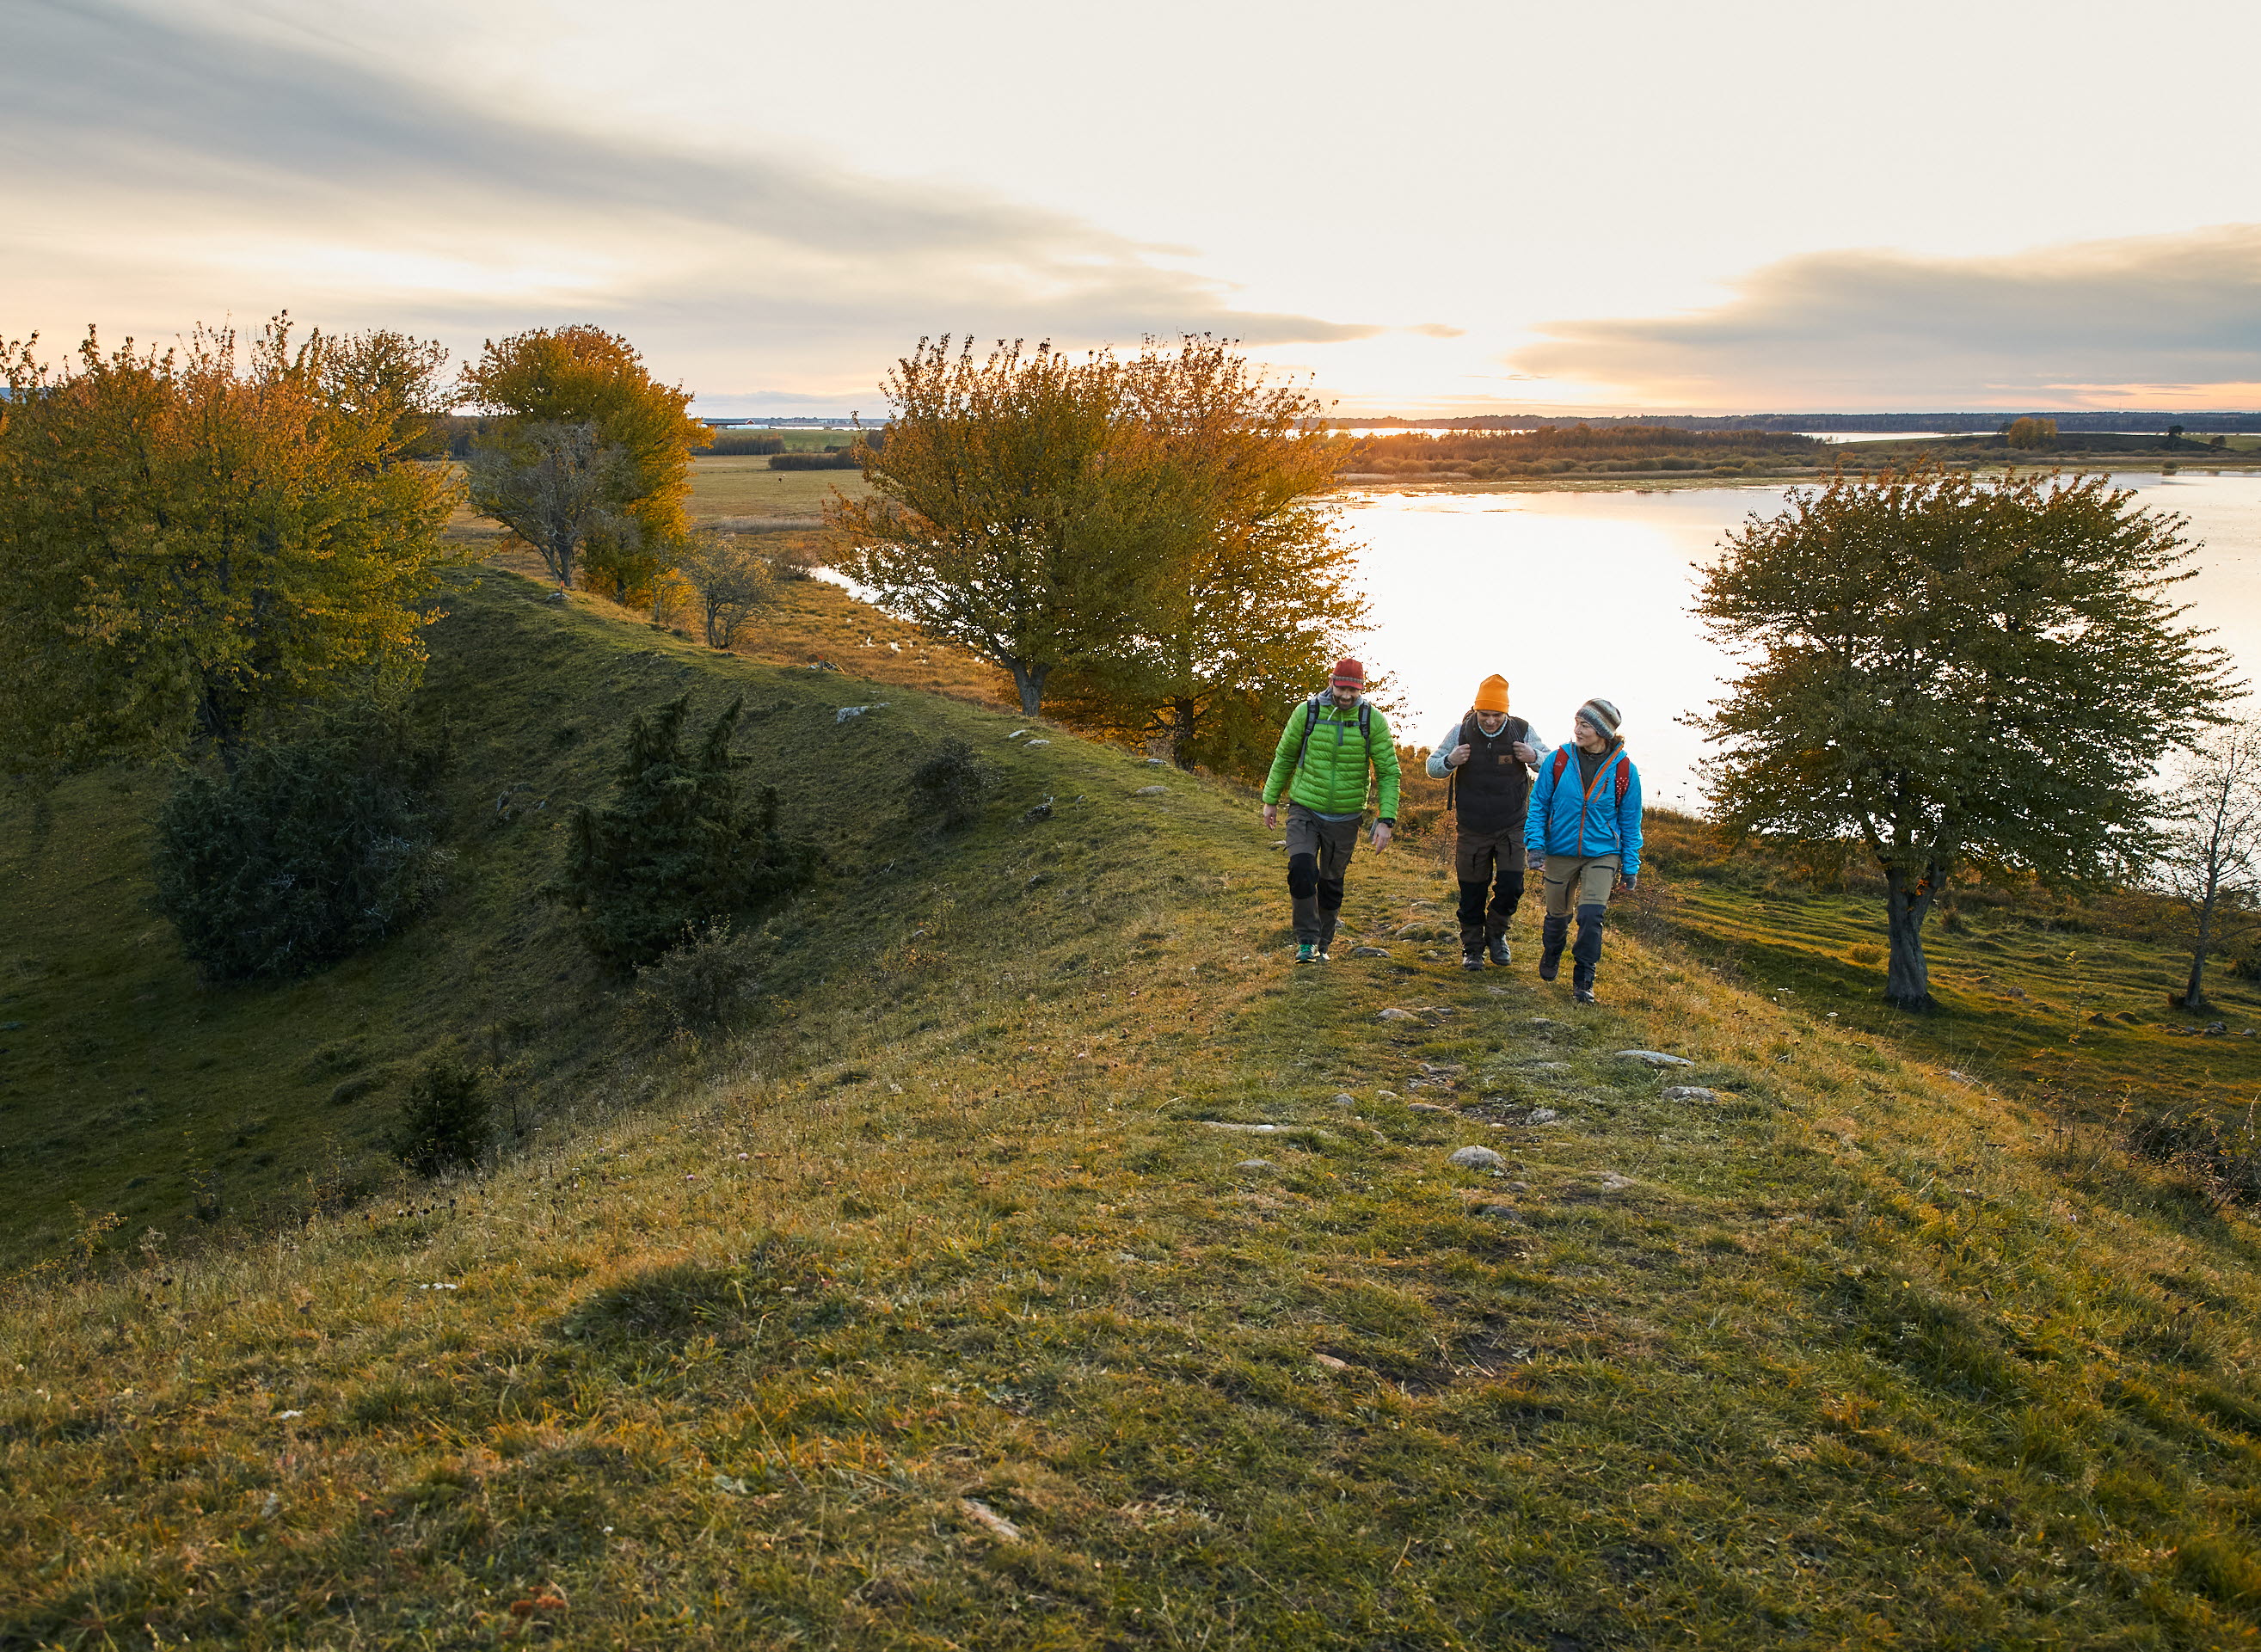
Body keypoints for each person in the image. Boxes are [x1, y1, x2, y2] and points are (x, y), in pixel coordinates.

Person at [1261, 658, 1400, 962]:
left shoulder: (1371, 720)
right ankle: (1307, 940)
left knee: (1331, 881)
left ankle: (1323, 942)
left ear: (1361, 689)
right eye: (1342, 689)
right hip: (1305, 807)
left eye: (1354, 690)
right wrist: (1270, 799)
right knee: (1301, 868)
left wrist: (1386, 819)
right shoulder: (1307, 712)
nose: (1347, 696)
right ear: (1331, 682)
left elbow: (1389, 772)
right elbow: (1285, 756)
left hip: (1347, 816)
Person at [1424, 674, 1548, 970]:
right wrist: (1451, 760)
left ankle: (1496, 935)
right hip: (1472, 827)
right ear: (1475, 710)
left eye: (1496, 715)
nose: (1490, 721)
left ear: (1506, 712)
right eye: (1484, 714)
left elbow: (1550, 761)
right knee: (1472, 892)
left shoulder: (1522, 729)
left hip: (1513, 825)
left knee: (1511, 886)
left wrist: (1533, 756)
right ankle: (1472, 949)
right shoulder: (1461, 731)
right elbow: (1433, 767)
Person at [1523, 697, 1642, 1004]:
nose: (1577, 729)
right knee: (1557, 916)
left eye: (1585, 725)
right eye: (1577, 722)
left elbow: (1630, 822)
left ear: (1603, 731)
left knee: (1591, 915)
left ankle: (1584, 978)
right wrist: (1535, 846)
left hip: (1602, 852)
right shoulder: (1558, 760)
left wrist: (1630, 866)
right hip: (1559, 850)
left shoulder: (1625, 770)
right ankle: (1552, 950)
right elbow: (1538, 804)